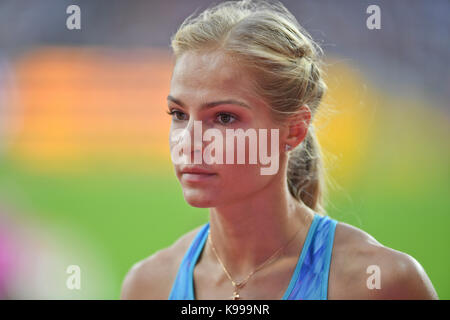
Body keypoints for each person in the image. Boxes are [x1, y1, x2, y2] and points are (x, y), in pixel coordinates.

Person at [121, 0, 438, 300]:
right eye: (179, 114)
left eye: (224, 117)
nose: (189, 143)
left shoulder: (378, 282)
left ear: (294, 129)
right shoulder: (150, 284)